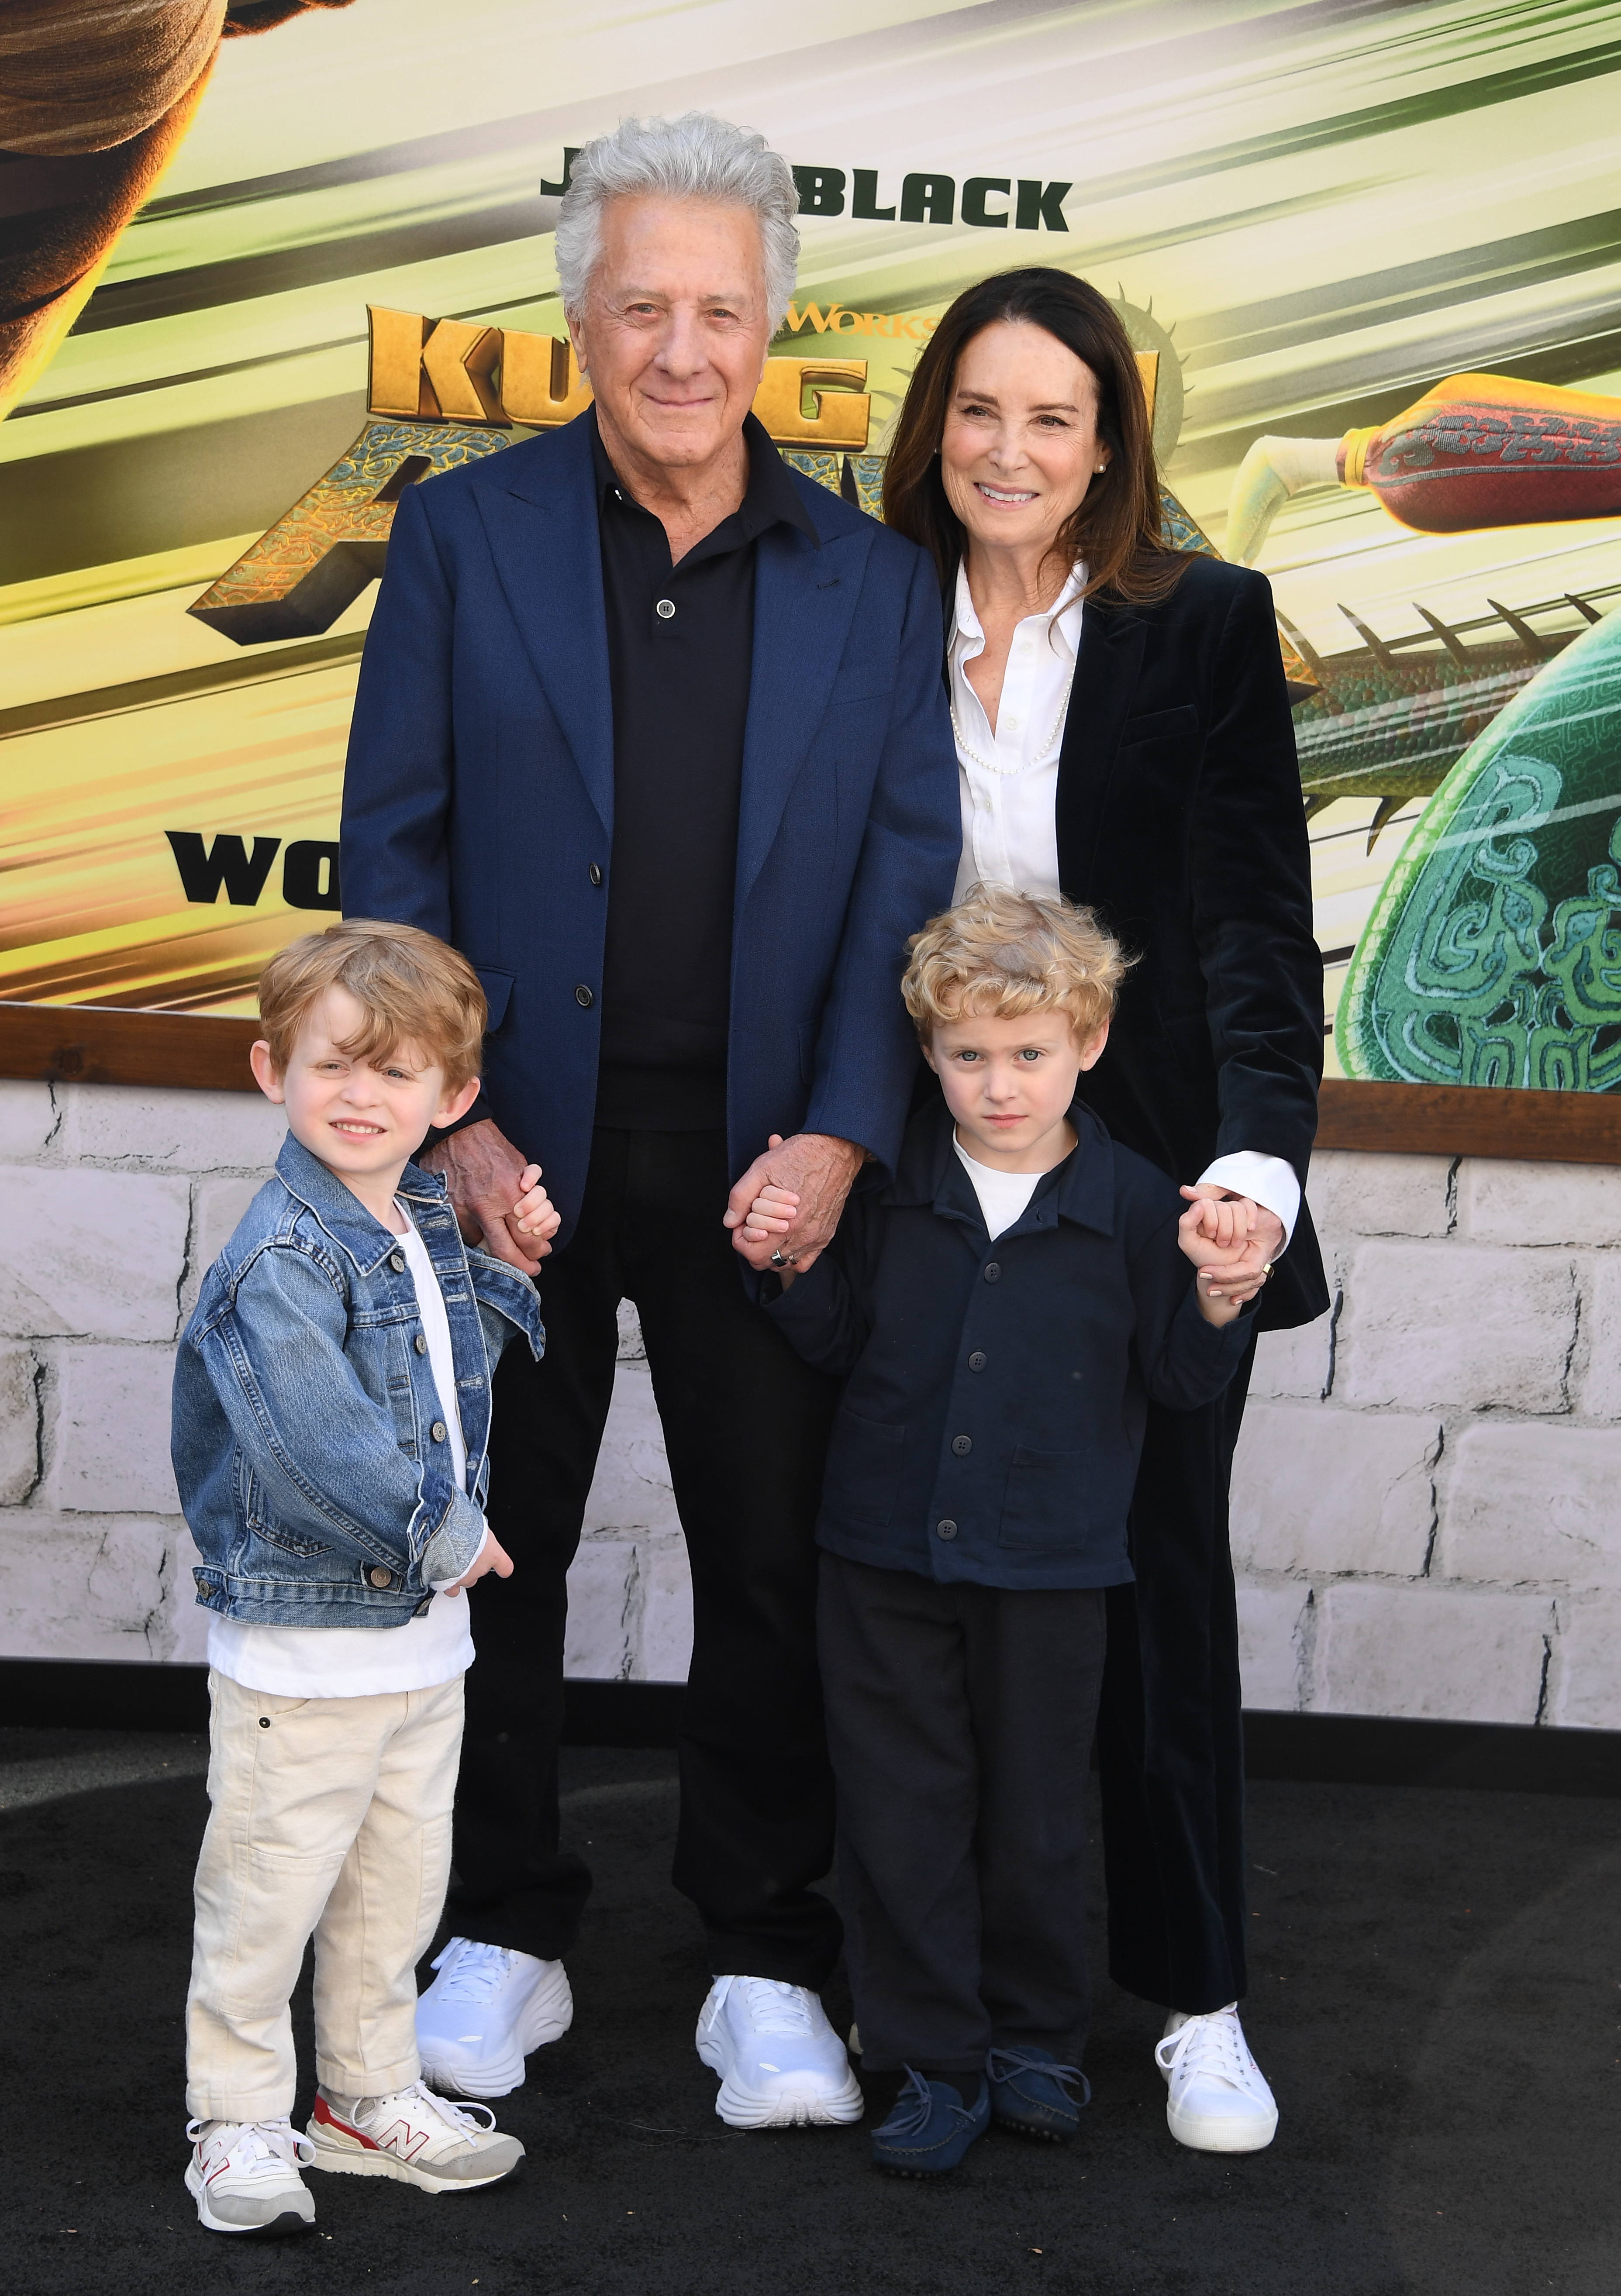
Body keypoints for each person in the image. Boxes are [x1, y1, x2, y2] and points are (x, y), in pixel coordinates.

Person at [339, 112, 960, 2124]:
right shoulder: (462, 537)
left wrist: (848, 1139)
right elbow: (396, 855)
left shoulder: (877, 586)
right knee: (489, 1549)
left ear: (774, 321)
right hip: (514, 1153)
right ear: (580, 322)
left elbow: (905, 891)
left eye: (716, 306)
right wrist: (457, 1128)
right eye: (640, 307)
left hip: (769, 1157)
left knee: (769, 1558)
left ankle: (766, 1955)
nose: (679, 348)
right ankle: (498, 1931)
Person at [879, 268, 1330, 2152]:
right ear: (932, 428)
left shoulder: (1205, 624)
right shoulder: (855, 608)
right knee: (905, 1596)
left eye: (1052, 417)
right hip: (909, 1178)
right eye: (979, 411)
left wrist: (1249, 1170)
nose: (1010, 450)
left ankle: (1196, 1998)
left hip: (1142, 1192)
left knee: (1151, 1594)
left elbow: (1248, 923)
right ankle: (921, 1993)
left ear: (1110, 441)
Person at [740, 888, 1269, 2176]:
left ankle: (1039, 2038)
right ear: (928, 1053)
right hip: (881, 1556)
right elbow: (837, 1345)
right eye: (969, 1055)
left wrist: (1218, 1299)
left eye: (1030, 1053)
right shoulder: (888, 1183)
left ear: (1088, 1042)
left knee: (1036, 1812)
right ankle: (929, 2055)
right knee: (902, 1809)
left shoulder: (1145, 1203)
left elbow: (1186, 1388)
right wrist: (784, 1266)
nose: (1000, 1082)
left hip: (1054, 1566)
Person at [170, 919, 552, 2235]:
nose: (360, 1096)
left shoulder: (426, 1220)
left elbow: (442, 1390)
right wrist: (446, 1533)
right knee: (266, 1897)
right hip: (304, 1653)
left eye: (397, 1076)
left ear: (452, 1101)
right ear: (272, 1070)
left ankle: (365, 2093)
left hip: (419, 1654)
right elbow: (315, 1443)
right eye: (334, 1065)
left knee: (394, 1895)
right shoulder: (280, 1256)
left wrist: (503, 1276)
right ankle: (236, 2114)